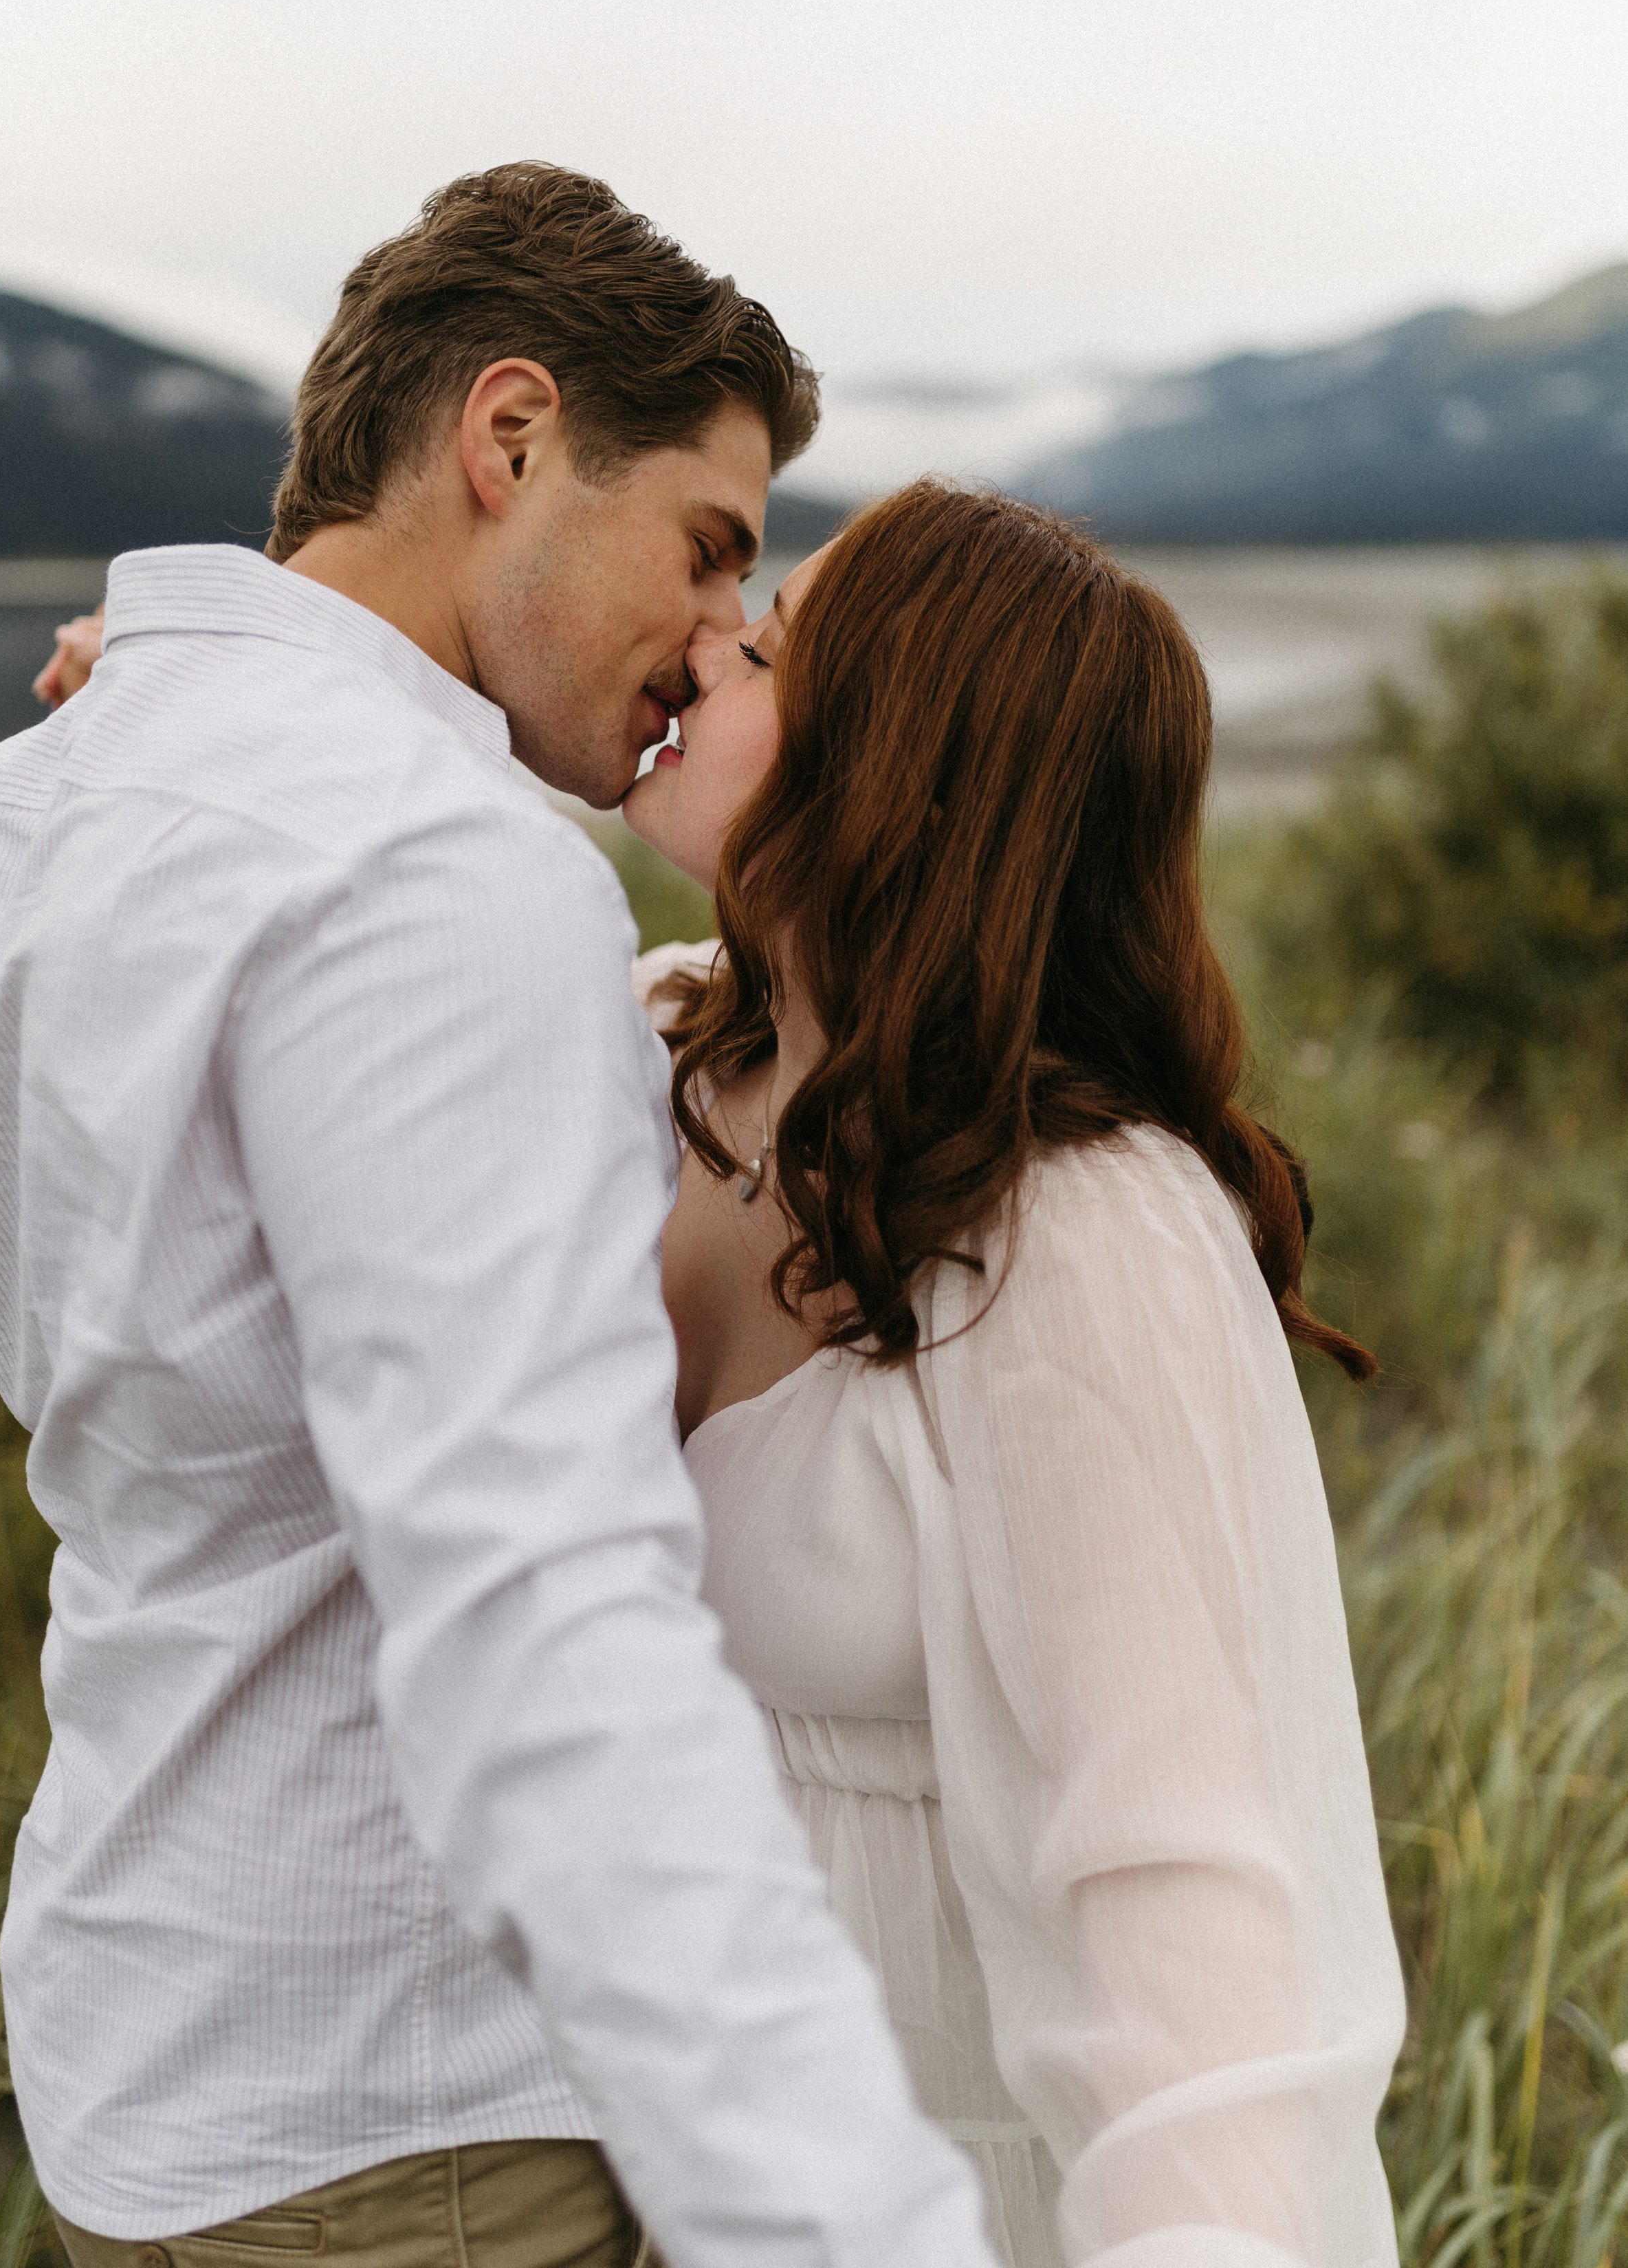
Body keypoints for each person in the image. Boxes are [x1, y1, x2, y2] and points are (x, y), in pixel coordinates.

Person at [0, 169, 999, 2268]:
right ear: (509, 440)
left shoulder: (41, 804)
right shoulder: (438, 869)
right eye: (705, 544)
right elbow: (538, 1617)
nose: (717, 633)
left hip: (143, 2043)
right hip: (418, 2122)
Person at [621, 480, 1407, 2268]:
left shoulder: (1075, 1234)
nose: (694, 644)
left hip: (975, 2204)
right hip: (682, 2165)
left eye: (760, 648)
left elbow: (1183, 1891)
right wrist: (238, 701)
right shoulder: (658, 1047)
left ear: (897, 764)